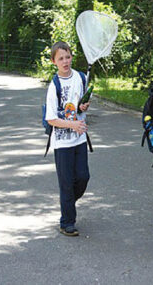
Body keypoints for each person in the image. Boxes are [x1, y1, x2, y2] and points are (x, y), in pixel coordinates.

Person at [45, 41, 91, 237]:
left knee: (83, 177)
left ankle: (68, 202)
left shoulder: (81, 78)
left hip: (79, 140)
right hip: (62, 142)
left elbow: (84, 102)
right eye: (60, 58)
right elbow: (51, 118)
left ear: (72, 56)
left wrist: (84, 107)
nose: (65, 61)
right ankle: (67, 222)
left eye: (68, 57)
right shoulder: (53, 85)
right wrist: (72, 124)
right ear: (54, 61)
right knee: (66, 182)